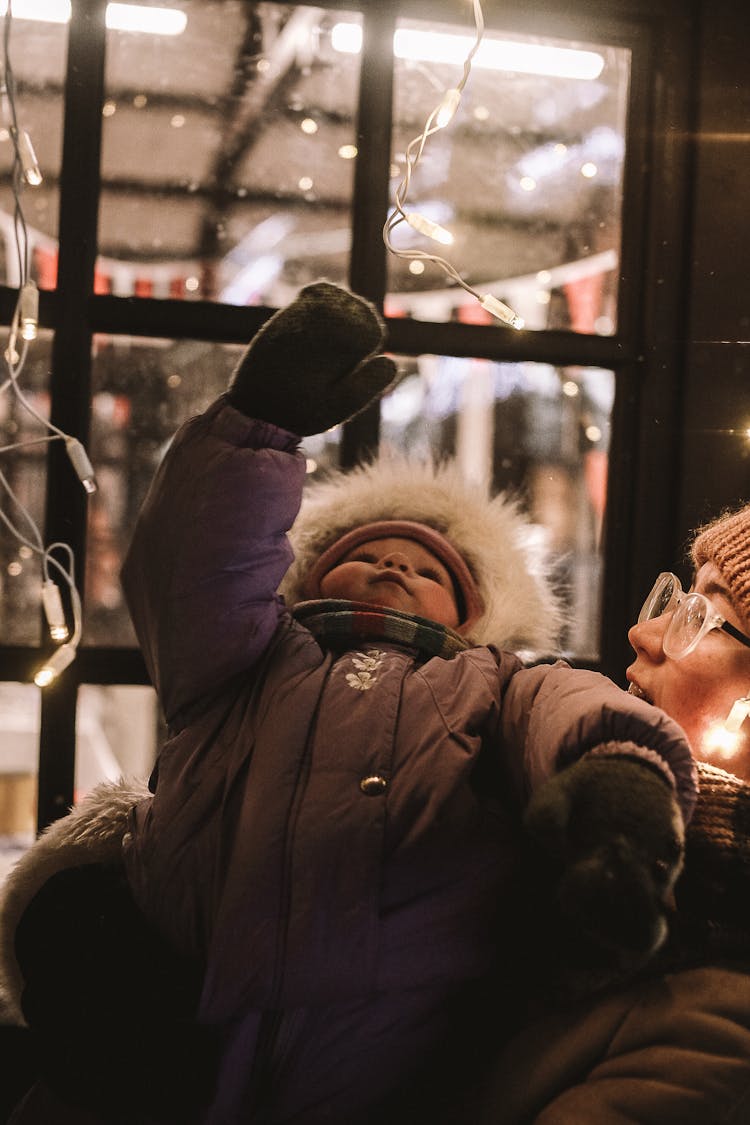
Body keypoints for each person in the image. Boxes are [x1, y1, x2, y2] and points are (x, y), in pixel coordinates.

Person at [0, 282, 697, 1125]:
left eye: (431, 568)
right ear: (307, 575)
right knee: (75, 936)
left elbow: (576, 710)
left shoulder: (493, 681)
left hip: (385, 1035)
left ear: (476, 614)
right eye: (370, 554)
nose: (398, 568)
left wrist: (621, 779)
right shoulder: (243, 655)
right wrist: (256, 426)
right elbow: (192, 566)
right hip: (179, 1002)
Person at [474, 502, 750, 1124]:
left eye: (705, 616)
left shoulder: (722, 1024)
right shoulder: (547, 806)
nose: (642, 634)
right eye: (678, 600)